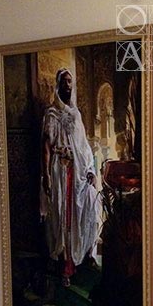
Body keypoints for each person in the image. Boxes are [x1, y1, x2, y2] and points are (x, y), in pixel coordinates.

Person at [40, 68, 100, 287]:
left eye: (70, 82)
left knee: (86, 206)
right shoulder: (51, 114)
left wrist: (90, 170)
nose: (68, 85)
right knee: (61, 215)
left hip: (77, 171)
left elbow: (83, 146)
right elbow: (46, 147)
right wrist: (46, 175)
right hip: (59, 170)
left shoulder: (76, 114)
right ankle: (65, 265)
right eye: (65, 81)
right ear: (58, 84)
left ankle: (82, 255)